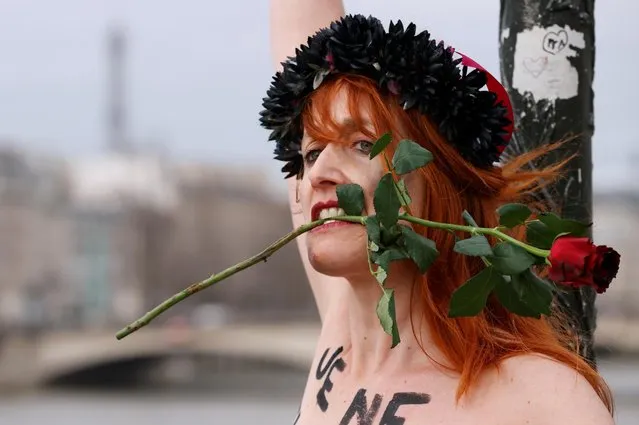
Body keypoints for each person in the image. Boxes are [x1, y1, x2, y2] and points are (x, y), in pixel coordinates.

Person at [263, 1, 615, 424]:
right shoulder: (343, 338)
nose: (318, 172)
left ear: (441, 179)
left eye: (361, 144)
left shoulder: (545, 400)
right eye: (312, 152)